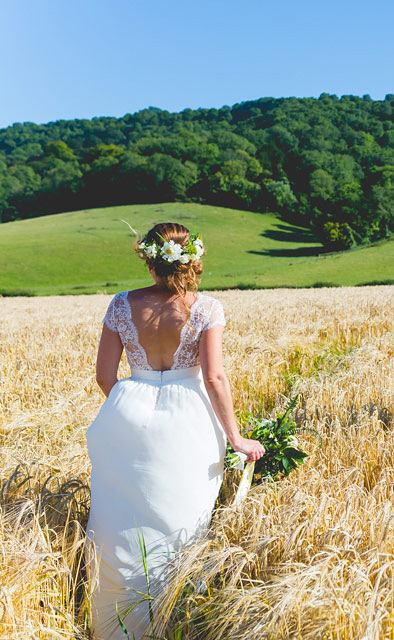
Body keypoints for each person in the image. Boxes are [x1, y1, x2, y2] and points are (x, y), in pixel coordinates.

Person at [85, 222, 265, 639]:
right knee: (181, 519)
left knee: (117, 519)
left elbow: (104, 376)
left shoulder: (120, 304)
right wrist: (237, 438)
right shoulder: (206, 309)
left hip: (127, 410)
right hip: (189, 415)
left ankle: (113, 626)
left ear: (149, 261)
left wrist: (136, 403)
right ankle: (179, 619)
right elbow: (215, 378)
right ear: (194, 261)